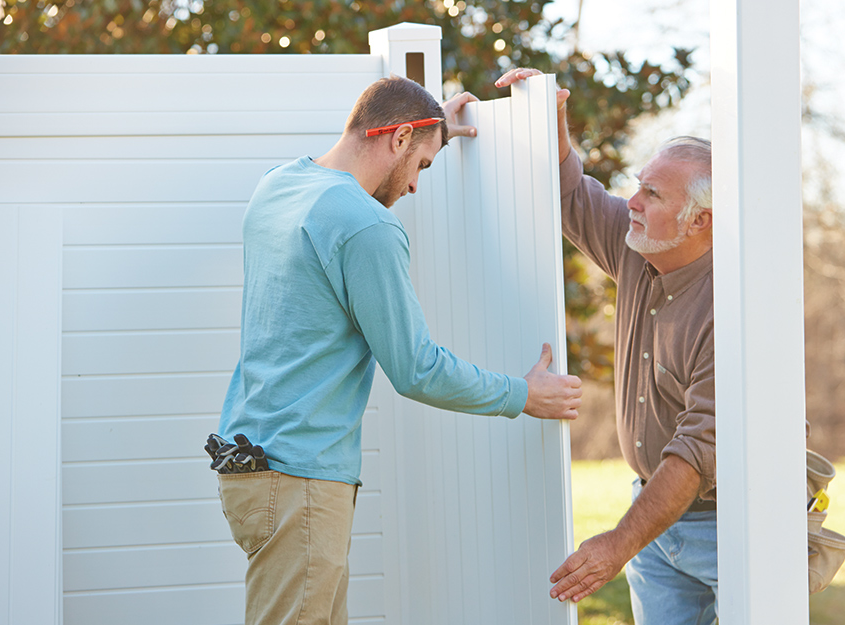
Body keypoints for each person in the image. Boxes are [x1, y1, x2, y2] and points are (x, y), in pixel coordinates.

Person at [213, 75, 583, 625]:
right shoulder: (365, 225)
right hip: (301, 482)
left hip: (251, 467)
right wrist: (524, 394)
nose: (414, 186)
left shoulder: (277, 186)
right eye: (422, 165)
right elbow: (417, 370)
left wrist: (435, 131)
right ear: (398, 137)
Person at [496, 68, 717, 624]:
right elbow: (574, 196)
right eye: (638, 185)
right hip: (657, 516)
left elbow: (696, 451)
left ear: (700, 220)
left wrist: (618, 544)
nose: (633, 201)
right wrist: (553, 123)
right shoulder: (638, 248)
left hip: (731, 523)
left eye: (651, 193)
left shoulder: (730, 307)